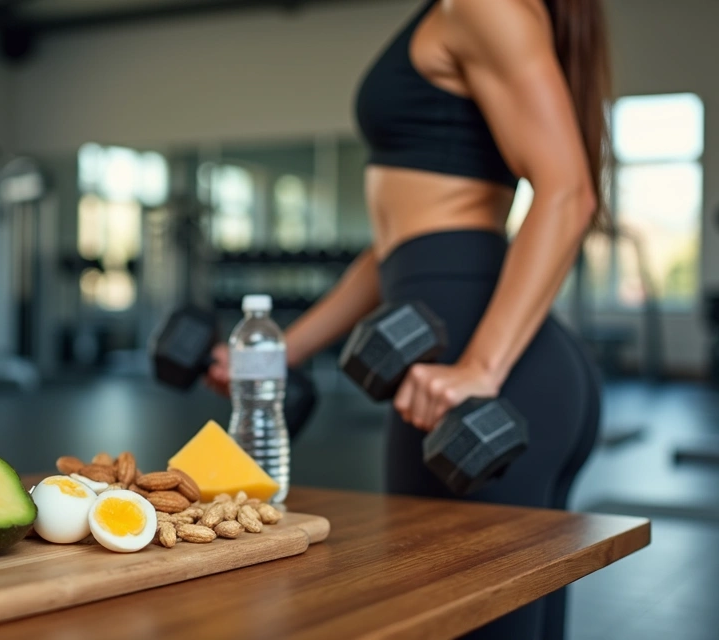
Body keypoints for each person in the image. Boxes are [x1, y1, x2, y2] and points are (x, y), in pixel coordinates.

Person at [205, 1, 611, 638]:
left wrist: (479, 367)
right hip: (465, 346)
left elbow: (568, 192)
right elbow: (392, 249)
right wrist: (290, 348)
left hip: (472, 370)